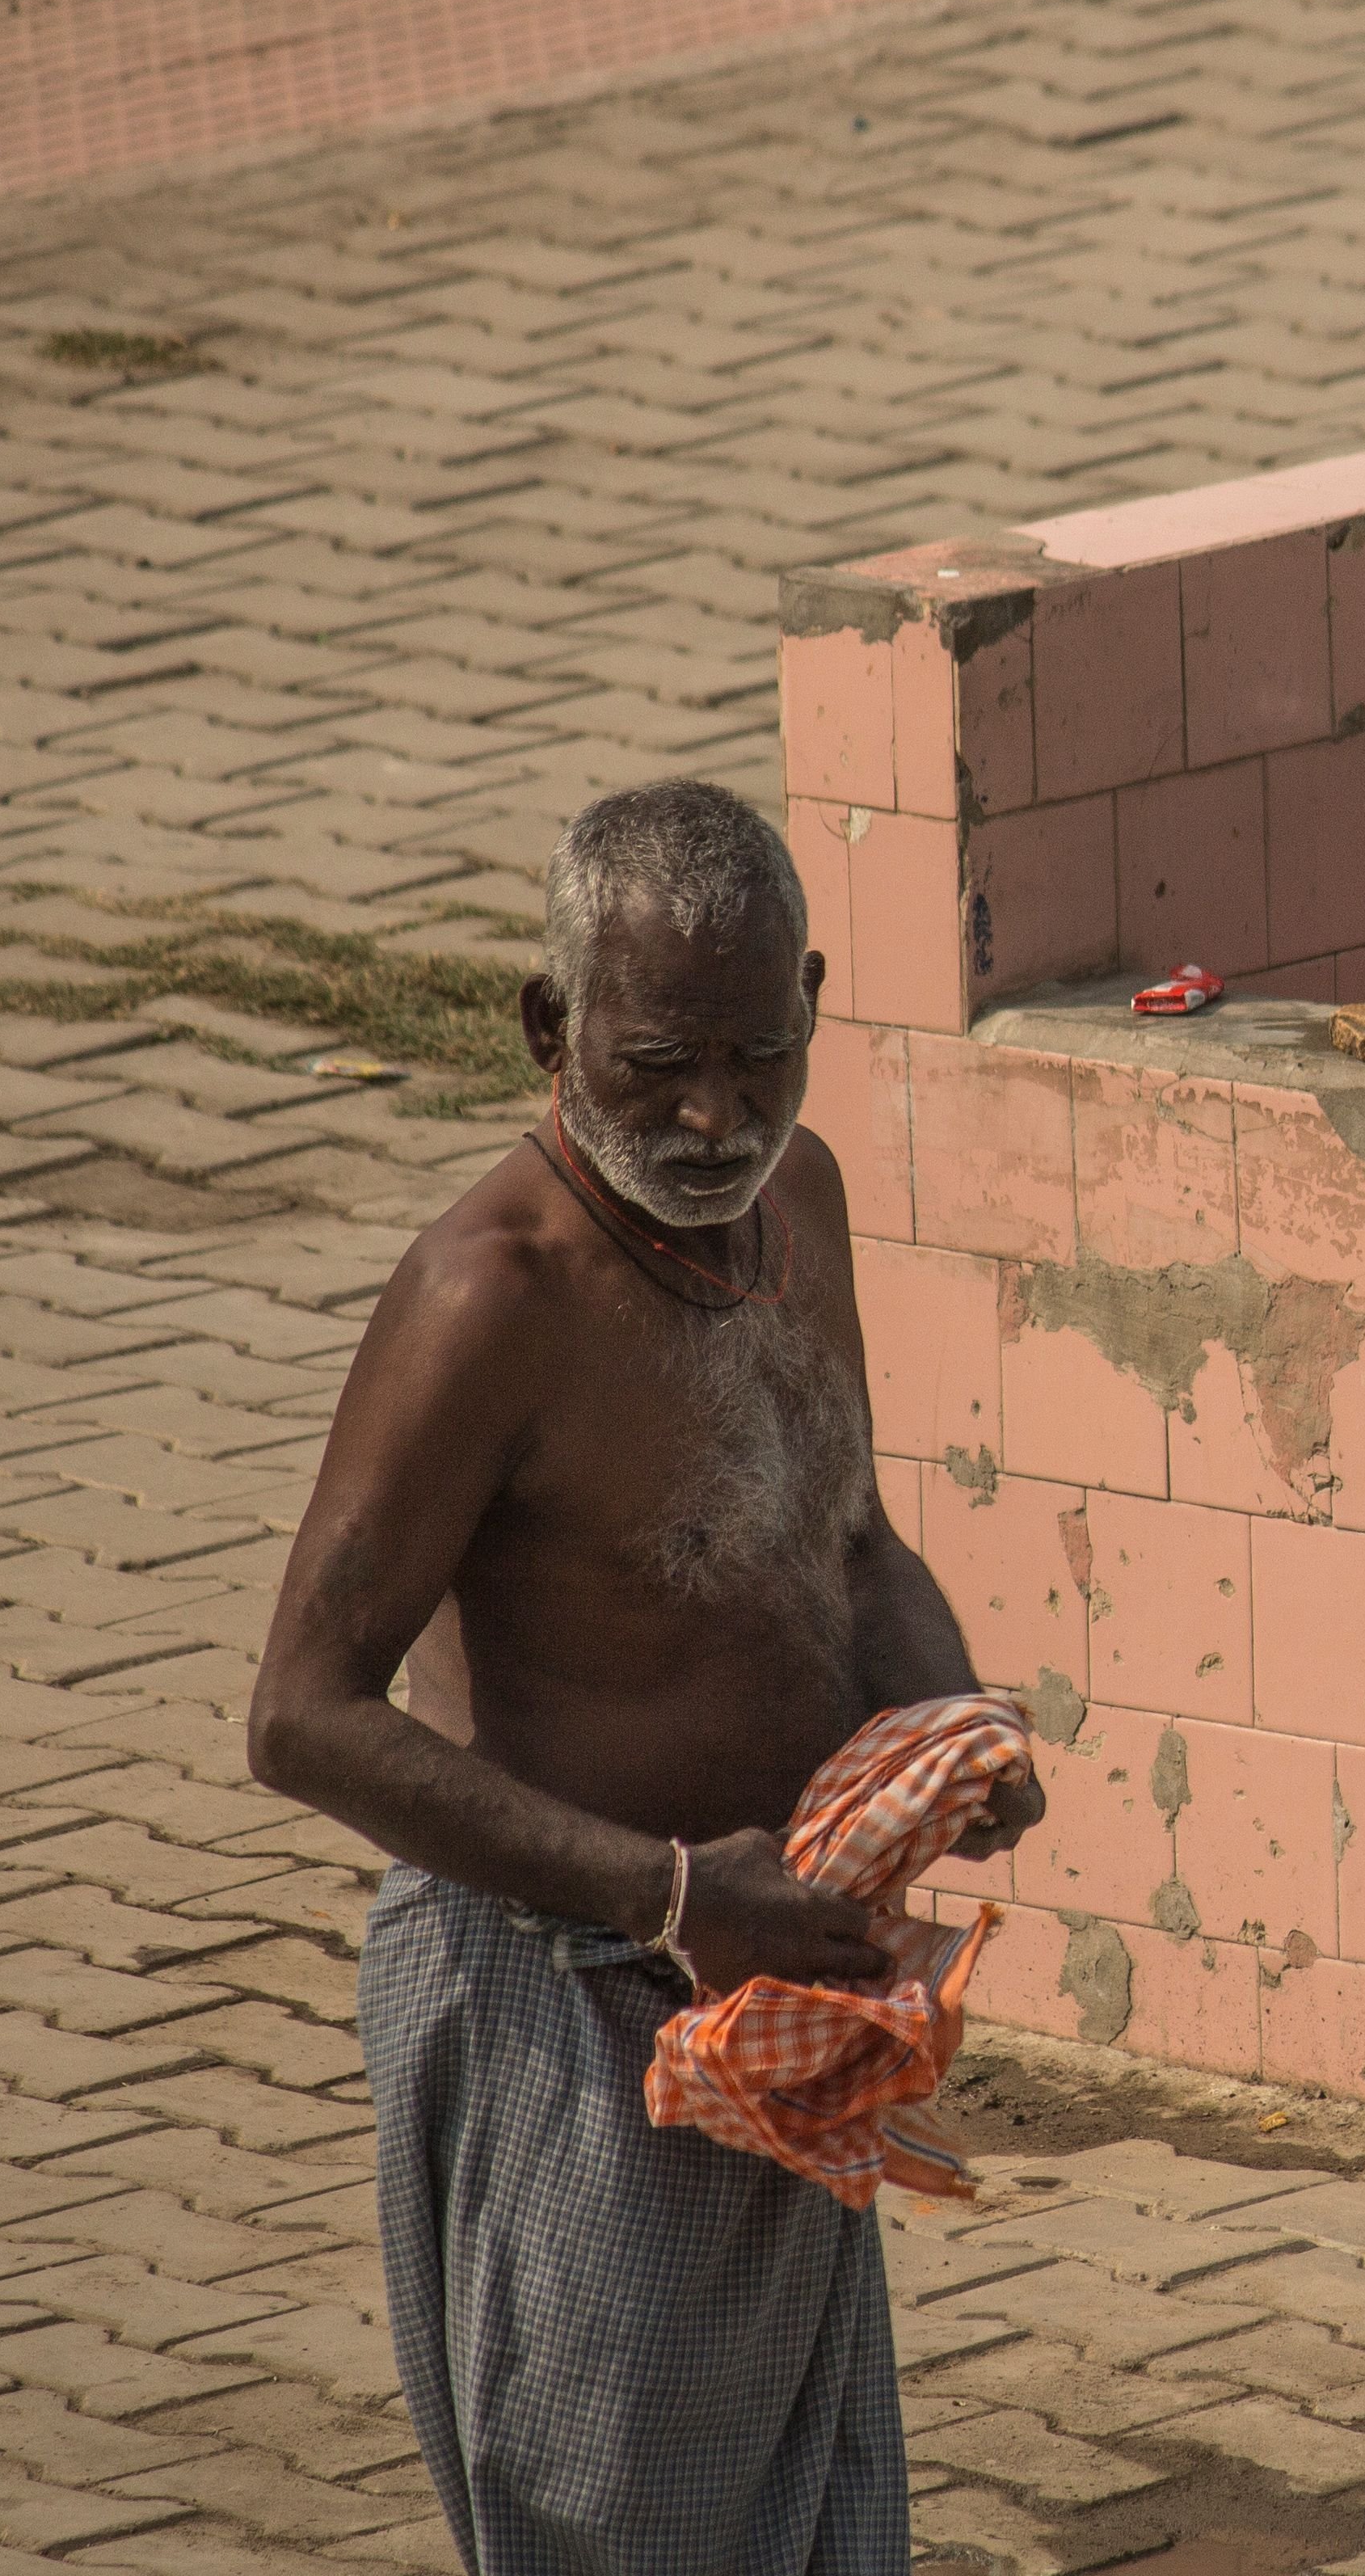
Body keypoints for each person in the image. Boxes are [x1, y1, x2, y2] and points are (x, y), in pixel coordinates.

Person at [247, 779, 1043, 2576]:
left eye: (760, 1059)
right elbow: (301, 1714)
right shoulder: (489, 1294)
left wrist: (955, 1729)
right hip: (563, 2001)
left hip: (767, 1988)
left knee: (800, 2518)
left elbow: (849, 1541)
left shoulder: (799, 1201)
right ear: (550, 1029)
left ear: (817, 1009)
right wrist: (681, 1896)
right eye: (660, 1061)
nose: (714, 1116)